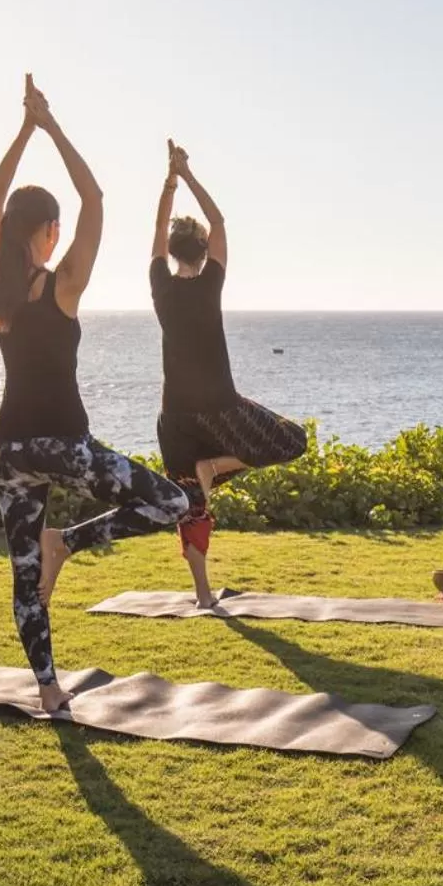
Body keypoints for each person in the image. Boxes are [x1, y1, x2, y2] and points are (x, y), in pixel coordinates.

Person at [0, 77, 191, 714]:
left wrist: (22, 133)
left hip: (11, 449)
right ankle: (67, 543)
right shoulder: (62, 284)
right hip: (66, 447)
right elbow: (93, 195)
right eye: (55, 230)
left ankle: (48, 689)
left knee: (22, 578)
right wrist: (51, 128)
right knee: (174, 501)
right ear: (46, 231)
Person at [150, 140, 309, 607]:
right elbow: (218, 222)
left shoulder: (159, 284)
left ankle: (203, 596)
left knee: (191, 508)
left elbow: (159, 226)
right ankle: (216, 465)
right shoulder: (212, 282)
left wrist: (170, 181)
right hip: (220, 406)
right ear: (203, 251)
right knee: (292, 439)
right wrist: (190, 175)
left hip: (174, 415)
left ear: (172, 252)